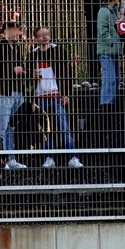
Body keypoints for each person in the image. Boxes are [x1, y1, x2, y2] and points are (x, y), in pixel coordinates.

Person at [28, 27, 83, 168]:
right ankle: (49, 158)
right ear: (35, 39)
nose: (45, 37)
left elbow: (67, 74)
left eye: (46, 34)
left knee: (65, 128)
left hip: (56, 97)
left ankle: (73, 158)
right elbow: (27, 79)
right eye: (41, 36)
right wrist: (31, 77)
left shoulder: (58, 51)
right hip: (40, 99)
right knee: (46, 131)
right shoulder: (32, 55)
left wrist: (66, 93)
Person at [0, 21, 31, 169]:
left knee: (11, 127)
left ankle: (10, 159)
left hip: (17, 92)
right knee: (2, 128)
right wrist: (12, 70)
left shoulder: (16, 48)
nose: (18, 33)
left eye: (19, 30)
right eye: (16, 30)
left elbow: (21, 68)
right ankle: (0, 161)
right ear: (7, 30)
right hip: (4, 93)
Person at [79, 0, 123, 87]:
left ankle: (116, 78)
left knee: (111, 42)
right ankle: (93, 78)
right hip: (92, 14)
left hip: (109, 13)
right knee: (93, 43)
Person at [95, 0, 124, 123]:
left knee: (115, 79)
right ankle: (105, 104)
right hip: (107, 51)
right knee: (109, 78)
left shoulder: (114, 12)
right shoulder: (104, 11)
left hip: (114, 51)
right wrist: (112, 42)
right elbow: (103, 30)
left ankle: (111, 102)